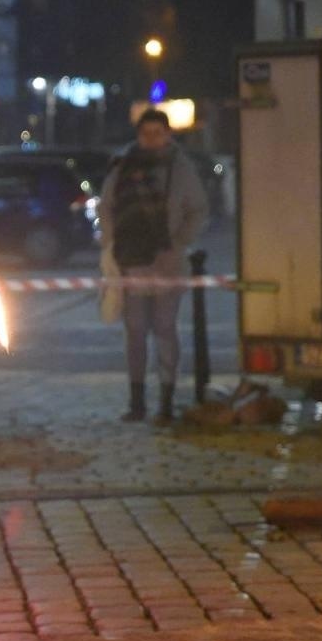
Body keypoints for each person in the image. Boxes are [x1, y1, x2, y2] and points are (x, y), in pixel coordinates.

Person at [98, 108, 210, 424]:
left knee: (164, 329)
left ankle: (165, 401)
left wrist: (178, 242)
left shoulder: (180, 167)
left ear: (167, 135)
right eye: (145, 133)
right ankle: (137, 402)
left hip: (167, 263)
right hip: (131, 261)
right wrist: (111, 243)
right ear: (138, 135)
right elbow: (106, 207)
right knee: (134, 331)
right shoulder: (122, 167)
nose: (150, 140)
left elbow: (198, 209)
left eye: (156, 133)